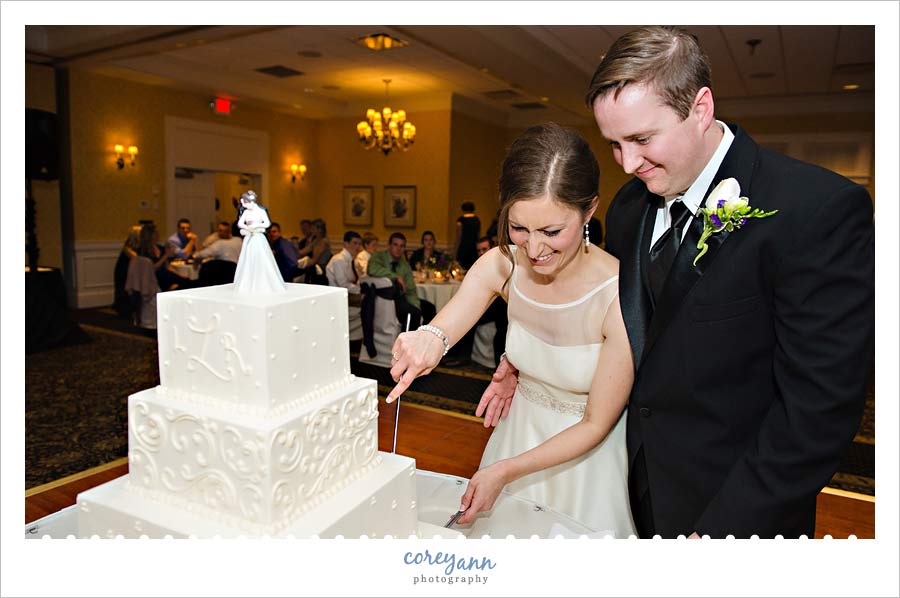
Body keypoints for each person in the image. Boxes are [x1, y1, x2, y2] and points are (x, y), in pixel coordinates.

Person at [477, 26, 875, 539]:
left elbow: (817, 411)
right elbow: (612, 320)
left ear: (701, 107)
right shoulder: (626, 209)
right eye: (614, 144)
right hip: (627, 485)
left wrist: (720, 534)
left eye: (642, 139)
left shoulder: (815, 209)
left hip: (733, 507)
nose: (627, 163)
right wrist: (526, 361)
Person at [386, 124, 636, 537]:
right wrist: (428, 339)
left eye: (552, 232)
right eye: (519, 228)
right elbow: (446, 325)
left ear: (589, 211)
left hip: (588, 459)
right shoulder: (503, 264)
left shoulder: (618, 296)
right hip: (517, 433)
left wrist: (507, 470)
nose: (533, 250)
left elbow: (596, 424)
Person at [366, 232, 425, 330]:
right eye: (395, 245)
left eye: (402, 246)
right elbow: (372, 269)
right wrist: (395, 276)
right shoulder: (378, 257)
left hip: (401, 297)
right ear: (389, 246)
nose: (398, 249)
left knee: (428, 308)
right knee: (413, 313)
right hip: (384, 299)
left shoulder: (404, 265)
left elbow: (410, 290)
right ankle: (407, 342)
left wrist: (415, 305)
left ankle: (426, 338)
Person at [233, 190, 284, 295]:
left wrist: (256, 226)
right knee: (248, 257)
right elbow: (240, 223)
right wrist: (247, 227)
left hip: (258, 236)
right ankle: (247, 281)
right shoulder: (246, 212)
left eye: (245, 203)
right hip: (249, 236)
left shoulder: (261, 211)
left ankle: (263, 280)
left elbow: (267, 223)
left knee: (261, 256)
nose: (243, 206)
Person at [113, 225, 142, 318]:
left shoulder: (136, 247)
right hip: (124, 272)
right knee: (124, 291)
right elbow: (136, 258)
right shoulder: (128, 248)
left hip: (130, 272)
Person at [326, 230, 363, 298]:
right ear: (346, 244)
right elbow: (342, 284)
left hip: (347, 293)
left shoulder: (352, 260)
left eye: (359, 244)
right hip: (337, 296)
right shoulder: (339, 260)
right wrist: (361, 290)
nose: (358, 247)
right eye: (355, 243)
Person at [454, 201, 480, 269]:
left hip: (463, 247)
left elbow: (459, 237)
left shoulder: (461, 220)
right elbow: (478, 235)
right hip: (474, 248)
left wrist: (456, 250)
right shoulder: (476, 220)